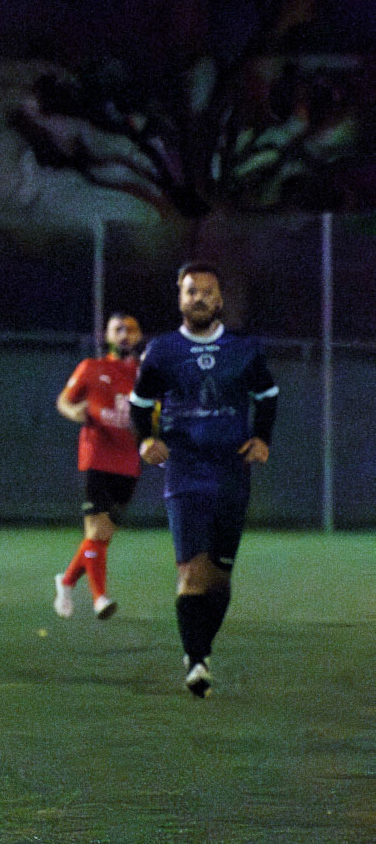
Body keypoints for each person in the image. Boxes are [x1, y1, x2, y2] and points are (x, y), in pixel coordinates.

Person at [129, 265, 277, 697]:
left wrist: (262, 440)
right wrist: (145, 442)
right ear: (180, 298)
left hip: (232, 468)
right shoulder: (161, 351)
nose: (199, 298)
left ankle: (201, 647)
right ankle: (196, 661)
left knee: (219, 578)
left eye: (207, 292)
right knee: (192, 574)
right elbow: (140, 406)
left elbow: (268, 398)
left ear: (220, 300)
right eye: (191, 291)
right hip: (185, 469)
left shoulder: (244, 349)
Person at [53, 312, 144, 621]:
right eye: (118, 329)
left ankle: (65, 582)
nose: (125, 334)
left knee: (101, 536)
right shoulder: (92, 368)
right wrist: (75, 411)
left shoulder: (146, 376)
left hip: (129, 461)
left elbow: (155, 414)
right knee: (97, 529)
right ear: (107, 336)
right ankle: (99, 598)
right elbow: (64, 401)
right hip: (97, 457)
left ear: (139, 336)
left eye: (130, 329)